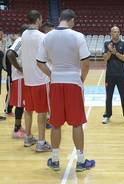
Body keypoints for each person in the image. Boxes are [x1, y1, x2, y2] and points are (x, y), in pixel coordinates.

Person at [37, 9, 95, 172]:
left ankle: (55, 160)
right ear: (71, 20)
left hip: (56, 82)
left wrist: (52, 75)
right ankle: (81, 161)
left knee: (55, 124)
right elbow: (86, 62)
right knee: (77, 123)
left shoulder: (47, 37)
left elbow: (40, 62)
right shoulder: (77, 36)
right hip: (73, 82)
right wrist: (81, 79)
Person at [21, 10, 51, 151]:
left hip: (27, 79)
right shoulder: (42, 36)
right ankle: (41, 142)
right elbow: (47, 56)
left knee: (28, 110)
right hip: (40, 79)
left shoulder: (24, 34)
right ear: (38, 20)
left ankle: (28, 137)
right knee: (42, 112)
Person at [102, 26, 124, 124]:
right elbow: (105, 59)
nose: (117, 33)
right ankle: (107, 115)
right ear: (111, 33)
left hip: (121, 75)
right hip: (110, 75)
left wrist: (116, 53)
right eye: (114, 32)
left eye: (118, 32)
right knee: (108, 96)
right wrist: (110, 51)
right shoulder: (106, 44)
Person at [6, 24, 29, 138]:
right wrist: (19, 68)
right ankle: (16, 129)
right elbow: (10, 53)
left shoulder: (23, 41)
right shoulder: (20, 40)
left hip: (23, 78)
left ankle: (19, 127)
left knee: (22, 104)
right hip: (19, 78)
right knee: (20, 104)